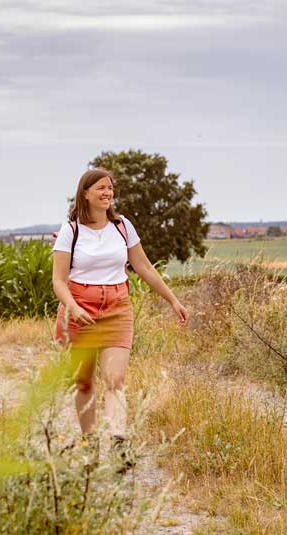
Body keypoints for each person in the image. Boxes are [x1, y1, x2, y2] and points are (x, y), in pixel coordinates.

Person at [52, 168, 188, 464]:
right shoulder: (70, 231)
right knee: (85, 382)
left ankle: (118, 444)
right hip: (81, 309)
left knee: (115, 378)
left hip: (117, 308)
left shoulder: (122, 226)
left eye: (110, 188)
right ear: (85, 193)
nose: (107, 193)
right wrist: (73, 308)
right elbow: (59, 281)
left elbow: (144, 267)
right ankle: (89, 444)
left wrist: (173, 300)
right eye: (100, 188)